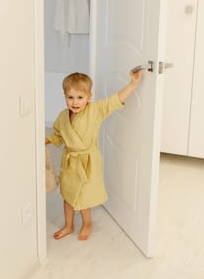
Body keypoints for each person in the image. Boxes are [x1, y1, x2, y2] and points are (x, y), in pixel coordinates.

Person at [45, 70, 142, 241]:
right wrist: (46, 140)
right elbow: (58, 135)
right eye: (70, 97)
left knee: (84, 198)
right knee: (67, 195)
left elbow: (115, 100)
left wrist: (133, 84)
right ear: (65, 96)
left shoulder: (95, 110)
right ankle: (68, 225)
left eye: (80, 97)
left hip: (88, 162)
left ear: (89, 97)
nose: (75, 102)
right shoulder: (62, 116)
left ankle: (87, 223)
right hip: (70, 163)